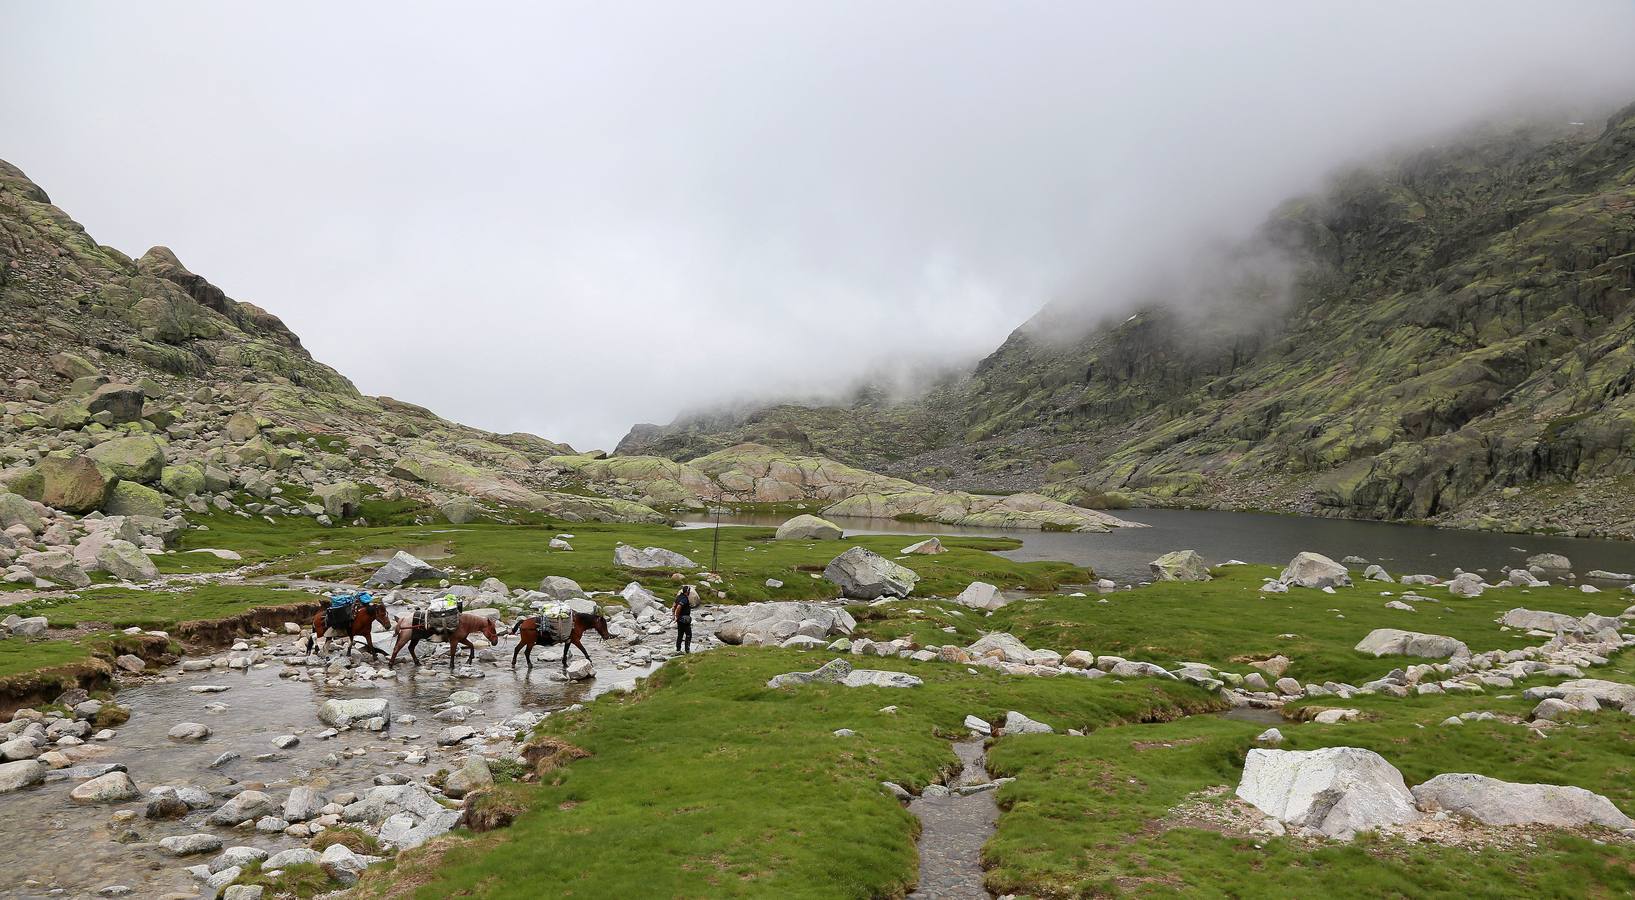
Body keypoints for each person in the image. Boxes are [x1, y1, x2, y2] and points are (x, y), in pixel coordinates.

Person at [672, 585, 693, 654]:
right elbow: (678, 607)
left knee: (680, 634)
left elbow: (674, 606)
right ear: (687, 592)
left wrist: (674, 616)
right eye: (689, 591)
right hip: (684, 619)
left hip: (679, 620)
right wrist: (677, 616)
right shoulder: (685, 598)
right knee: (688, 634)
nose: (689, 592)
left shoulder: (678, 597)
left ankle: (678, 649)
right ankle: (687, 650)